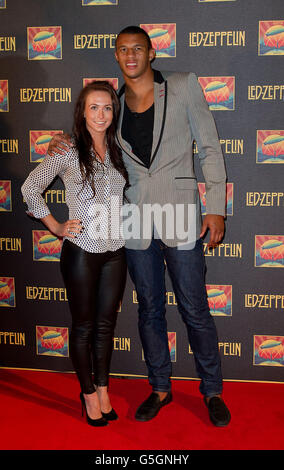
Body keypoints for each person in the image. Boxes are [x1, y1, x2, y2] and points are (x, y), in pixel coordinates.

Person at [47, 26, 231, 427]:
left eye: (137, 49)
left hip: (181, 211)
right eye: (122, 50)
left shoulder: (182, 86)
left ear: (151, 53)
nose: (130, 55)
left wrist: (216, 207)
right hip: (131, 216)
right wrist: (60, 142)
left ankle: (212, 390)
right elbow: (89, 135)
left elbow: (211, 147)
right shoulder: (111, 103)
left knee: (194, 308)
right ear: (116, 56)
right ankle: (160, 387)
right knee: (149, 309)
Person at [22, 81, 128, 427]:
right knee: (83, 328)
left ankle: (103, 390)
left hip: (115, 251)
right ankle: (87, 395)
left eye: (107, 107)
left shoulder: (117, 148)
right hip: (82, 250)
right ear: (82, 112)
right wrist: (55, 226)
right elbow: (29, 188)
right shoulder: (66, 149)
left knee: (105, 326)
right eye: (93, 107)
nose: (101, 114)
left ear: (114, 112)